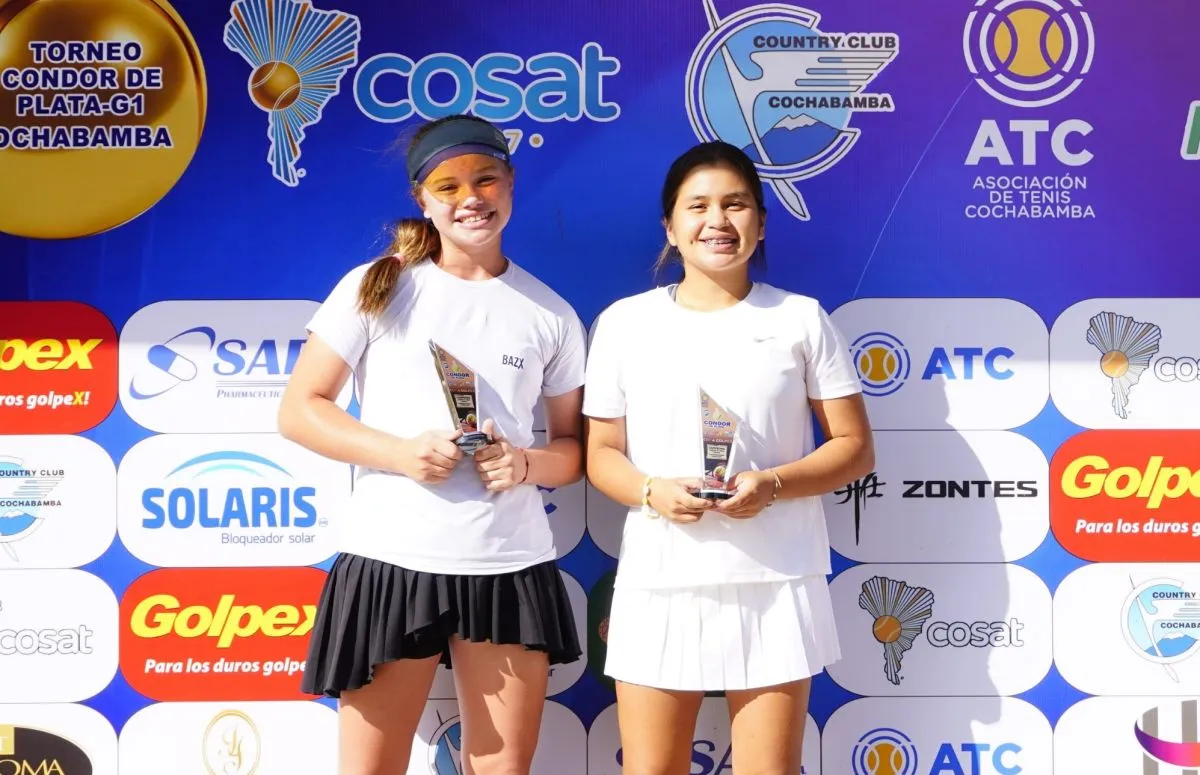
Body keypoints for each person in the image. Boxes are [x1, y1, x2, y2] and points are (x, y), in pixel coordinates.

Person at [278, 114, 586, 775]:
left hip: (508, 563)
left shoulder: (550, 313)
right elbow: (300, 410)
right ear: (422, 199)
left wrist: (524, 463)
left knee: (502, 768)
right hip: (392, 557)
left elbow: (572, 450)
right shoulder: (378, 284)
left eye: (485, 179)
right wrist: (400, 453)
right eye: (448, 186)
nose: (470, 198)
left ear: (511, 183)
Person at [582, 140, 875, 775]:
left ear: (761, 222)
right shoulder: (624, 323)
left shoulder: (801, 319)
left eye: (735, 204)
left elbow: (854, 449)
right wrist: (652, 491)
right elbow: (601, 454)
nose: (717, 220)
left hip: (777, 578)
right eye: (698, 206)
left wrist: (771, 484)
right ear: (670, 227)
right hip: (661, 577)